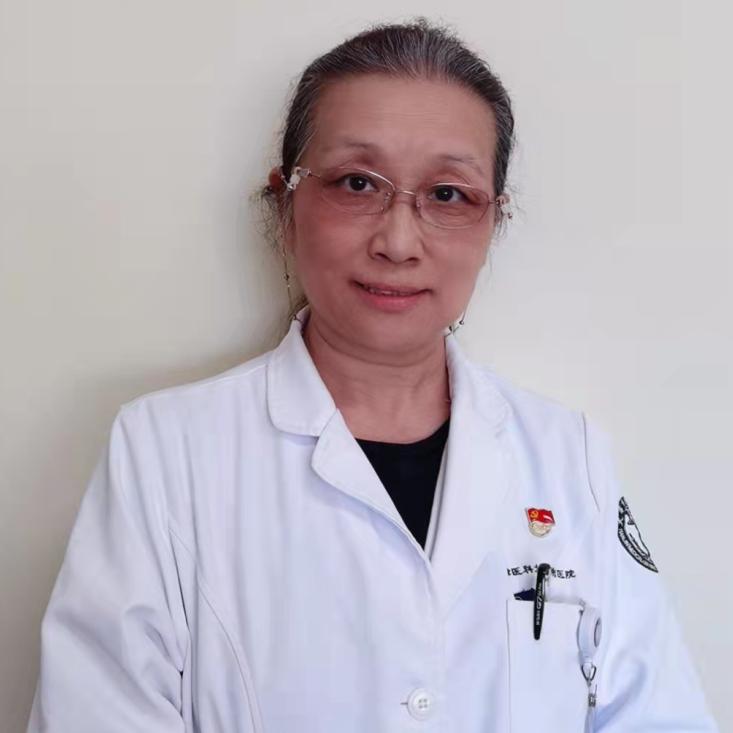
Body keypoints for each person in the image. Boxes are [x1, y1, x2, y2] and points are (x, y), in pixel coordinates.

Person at [27, 19, 718, 733]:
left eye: (448, 194)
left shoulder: (568, 455)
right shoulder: (165, 452)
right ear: (286, 205)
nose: (397, 241)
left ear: (492, 224)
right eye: (357, 183)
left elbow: (657, 714)